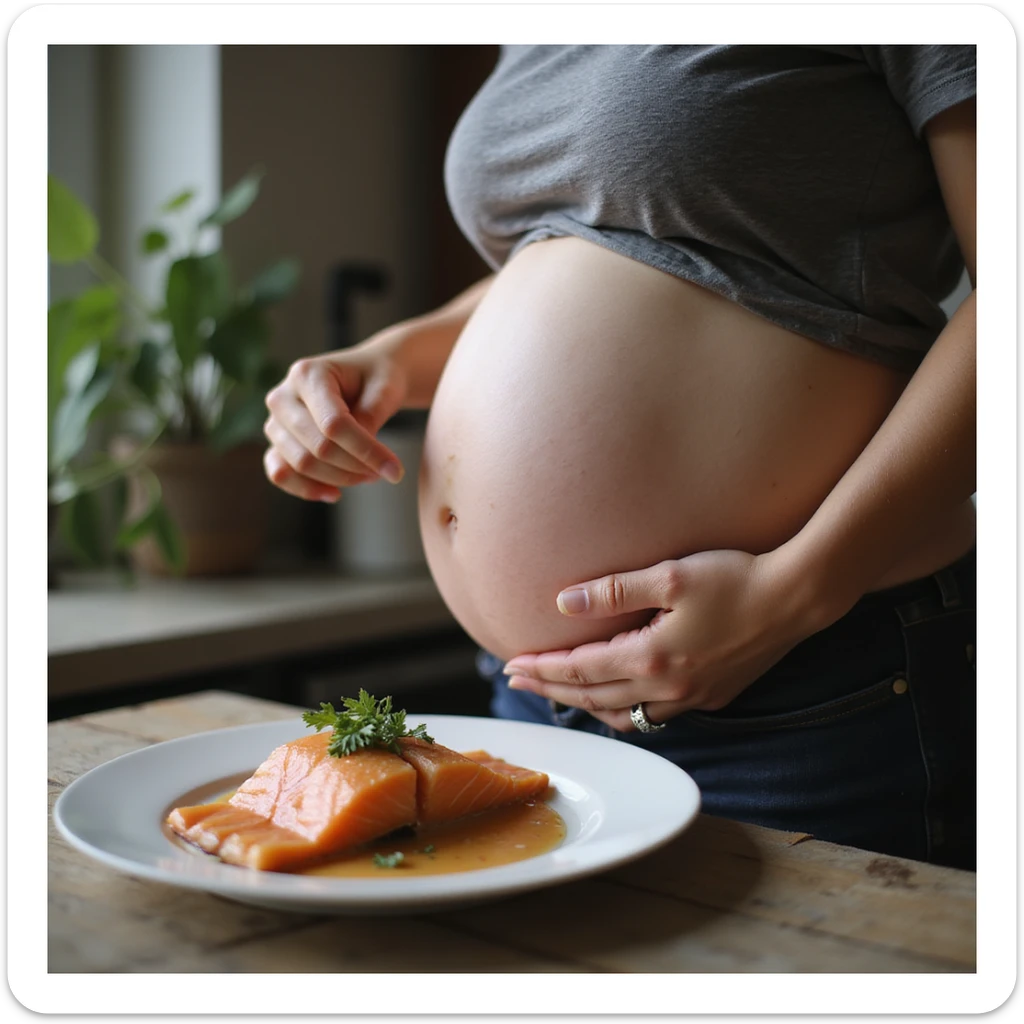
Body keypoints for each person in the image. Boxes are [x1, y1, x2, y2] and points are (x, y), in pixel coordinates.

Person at [262, 45, 977, 870]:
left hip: (800, 679)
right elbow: (596, 250)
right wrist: (394, 355)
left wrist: (797, 592)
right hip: (536, 694)